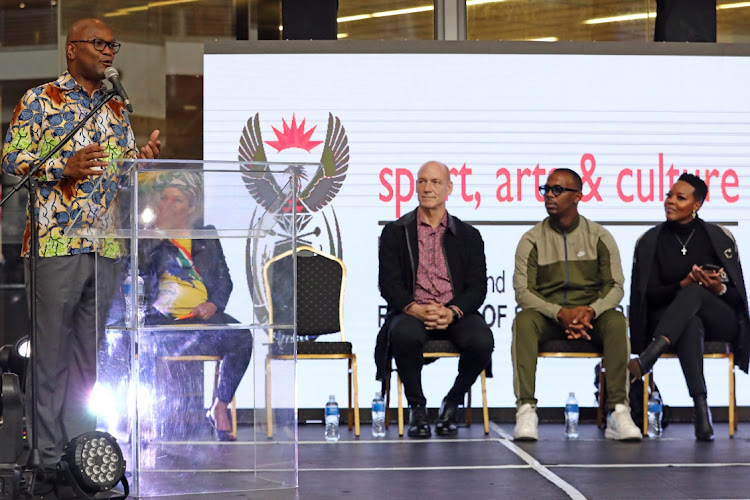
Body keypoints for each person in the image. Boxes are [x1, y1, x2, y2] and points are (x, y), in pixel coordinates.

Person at [1, 18, 161, 466]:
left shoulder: (115, 109)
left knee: (87, 362)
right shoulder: (40, 100)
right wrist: (61, 168)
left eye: (114, 44)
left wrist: (140, 164)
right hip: (55, 246)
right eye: (100, 43)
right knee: (49, 359)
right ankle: (46, 459)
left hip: (106, 248)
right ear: (73, 50)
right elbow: (12, 158)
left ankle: (80, 455)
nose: (110, 52)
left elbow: (120, 173)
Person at [512, 168, 641, 441]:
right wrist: (560, 313)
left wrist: (590, 311)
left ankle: (618, 411)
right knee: (523, 321)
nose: (549, 195)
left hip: (590, 316)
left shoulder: (599, 237)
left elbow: (615, 286)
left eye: (557, 190)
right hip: (549, 317)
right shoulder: (531, 239)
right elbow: (523, 292)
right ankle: (526, 409)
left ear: (578, 196)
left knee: (617, 321)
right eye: (545, 189)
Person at [376, 161, 494, 438]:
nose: (427, 188)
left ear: (449, 188)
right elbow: (388, 285)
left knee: (482, 340)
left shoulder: (468, 236)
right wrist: (414, 308)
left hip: (453, 311)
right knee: (403, 334)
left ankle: (452, 403)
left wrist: (453, 311)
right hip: (412, 311)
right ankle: (417, 409)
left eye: (435, 182)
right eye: (421, 181)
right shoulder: (396, 232)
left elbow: (477, 288)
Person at [628, 173, 750, 441]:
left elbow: (737, 299)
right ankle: (701, 408)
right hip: (670, 320)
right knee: (690, 323)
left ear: (696, 205)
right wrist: (682, 284)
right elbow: (648, 297)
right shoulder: (651, 241)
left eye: (679, 197)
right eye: (669, 195)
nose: (669, 201)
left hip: (720, 317)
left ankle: (648, 358)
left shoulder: (718, 237)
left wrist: (717, 287)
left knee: (696, 292)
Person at [140, 176, 252, 442]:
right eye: (164, 198)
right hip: (163, 325)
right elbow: (136, 278)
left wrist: (214, 304)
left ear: (190, 208)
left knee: (242, 338)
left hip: (202, 325)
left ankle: (220, 406)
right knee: (138, 340)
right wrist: (156, 235)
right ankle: (143, 415)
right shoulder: (148, 238)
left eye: (176, 199)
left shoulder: (206, 236)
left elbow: (225, 280)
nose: (168, 204)